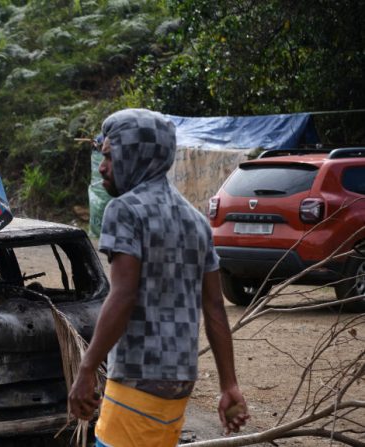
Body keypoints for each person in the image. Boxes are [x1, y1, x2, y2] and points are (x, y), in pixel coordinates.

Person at [69, 109, 249, 446]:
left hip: (137, 376)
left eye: (110, 156)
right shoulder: (195, 220)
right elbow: (214, 308)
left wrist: (86, 368)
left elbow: (123, 295)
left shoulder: (124, 210)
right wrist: (229, 385)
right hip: (180, 380)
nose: (103, 167)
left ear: (135, 155)